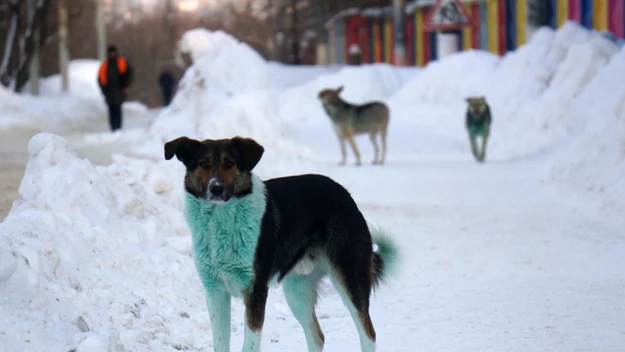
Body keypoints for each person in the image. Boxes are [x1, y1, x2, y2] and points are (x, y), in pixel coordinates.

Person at [97, 45, 133, 132]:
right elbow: (100, 79)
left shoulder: (122, 62)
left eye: (114, 53)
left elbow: (129, 74)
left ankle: (118, 127)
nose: (112, 55)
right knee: (111, 110)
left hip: (119, 90)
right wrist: (104, 90)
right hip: (109, 91)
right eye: (111, 53)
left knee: (118, 109)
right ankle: (113, 127)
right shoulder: (104, 65)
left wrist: (125, 85)